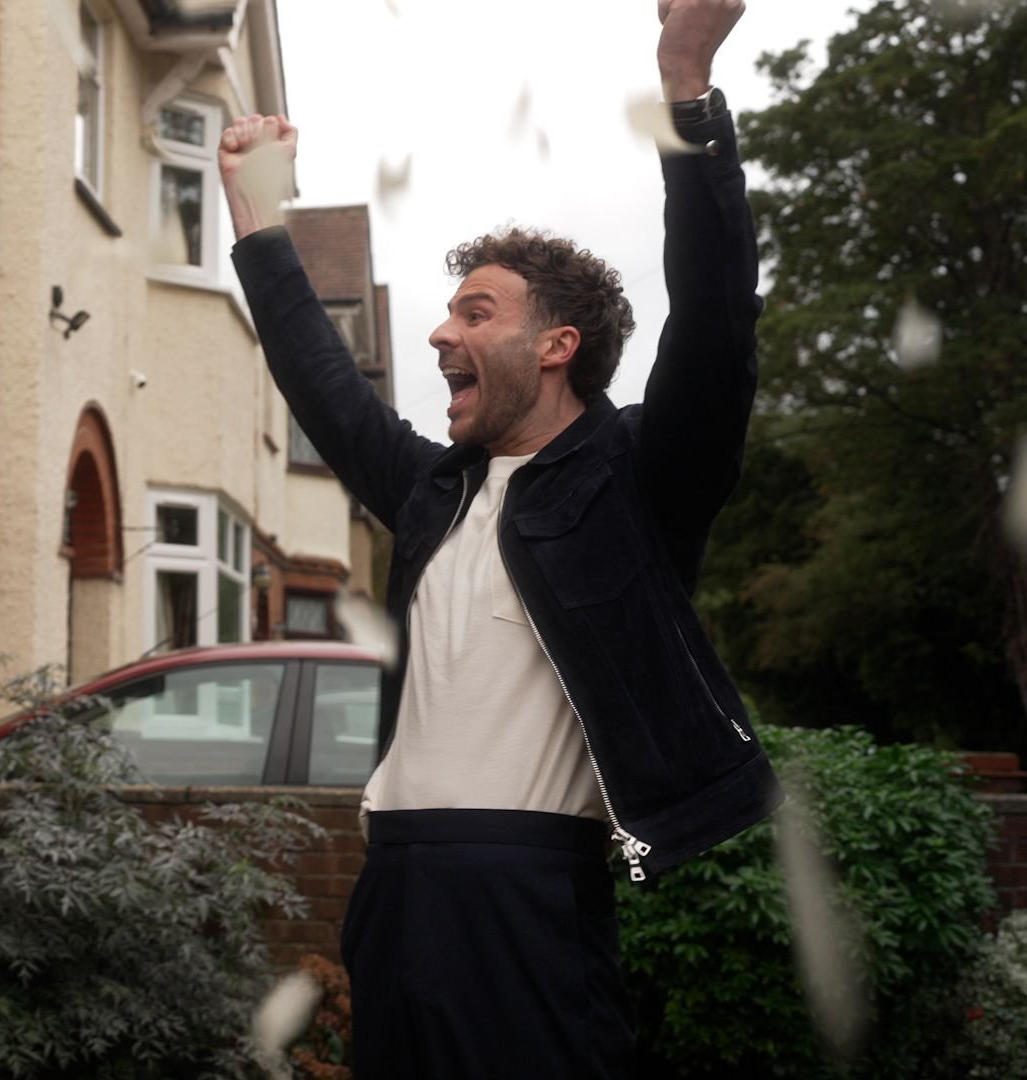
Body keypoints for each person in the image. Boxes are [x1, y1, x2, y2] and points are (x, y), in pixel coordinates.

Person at [218, 1, 779, 1075]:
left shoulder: (638, 483)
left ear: (558, 344)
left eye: (475, 312)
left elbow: (715, 318)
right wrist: (257, 212)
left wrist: (685, 77)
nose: (441, 332)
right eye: (447, 313)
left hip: (527, 900)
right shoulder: (433, 492)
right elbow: (322, 382)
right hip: (395, 889)